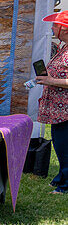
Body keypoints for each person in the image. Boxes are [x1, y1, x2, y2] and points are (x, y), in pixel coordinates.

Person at [36, 12, 68, 194]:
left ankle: (65, 185)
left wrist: (51, 81)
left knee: (65, 147)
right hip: (59, 109)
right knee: (60, 145)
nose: (52, 28)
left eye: (55, 26)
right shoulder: (64, 47)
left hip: (65, 110)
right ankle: (61, 178)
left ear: (64, 29)